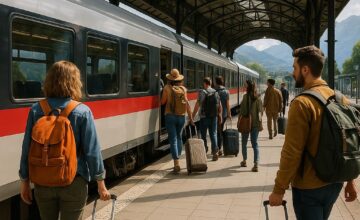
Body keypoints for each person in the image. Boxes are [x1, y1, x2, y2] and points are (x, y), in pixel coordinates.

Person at [268, 45, 358, 219]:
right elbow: (348, 142)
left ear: (305, 69)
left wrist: (278, 190)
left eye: (295, 68)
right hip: (335, 182)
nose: (293, 72)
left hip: (309, 188)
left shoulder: (302, 103)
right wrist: (350, 180)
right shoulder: (341, 99)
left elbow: (291, 152)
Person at [19, 61, 111, 220]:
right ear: (74, 82)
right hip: (74, 181)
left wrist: (24, 181)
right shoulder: (82, 111)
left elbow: (27, 148)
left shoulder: (36, 109)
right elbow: (92, 150)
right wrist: (100, 183)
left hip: (43, 180)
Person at [161, 69, 193, 173]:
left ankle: (176, 162)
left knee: (173, 139)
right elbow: (187, 104)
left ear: (170, 79)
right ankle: (178, 157)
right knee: (179, 137)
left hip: (170, 116)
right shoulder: (183, 89)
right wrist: (191, 118)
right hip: (181, 117)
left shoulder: (166, 88)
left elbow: (162, 102)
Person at [192, 77, 222, 161]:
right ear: (210, 83)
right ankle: (215, 152)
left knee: (203, 135)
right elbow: (219, 105)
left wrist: (192, 116)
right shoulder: (215, 92)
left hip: (204, 117)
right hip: (214, 117)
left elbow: (197, 104)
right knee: (213, 134)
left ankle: (204, 151)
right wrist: (219, 115)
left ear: (204, 83)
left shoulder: (202, 92)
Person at [238, 80, 263, 172]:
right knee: (255, 143)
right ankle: (256, 164)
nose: (244, 85)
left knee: (244, 143)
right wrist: (260, 123)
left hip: (246, 123)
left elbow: (242, 111)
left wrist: (239, 119)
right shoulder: (258, 98)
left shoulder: (245, 97)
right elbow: (260, 112)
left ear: (248, 87)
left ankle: (244, 161)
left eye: (245, 84)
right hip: (255, 124)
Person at [214, 76, 231, 156]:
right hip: (223, 114)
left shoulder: (214, 91)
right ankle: (219, 148)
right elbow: (228, 104)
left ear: (216, 82)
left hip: (215, 114)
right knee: (219, 131)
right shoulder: (226, 92)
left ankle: (218, 148)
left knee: (217, 132)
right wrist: (229, 114)